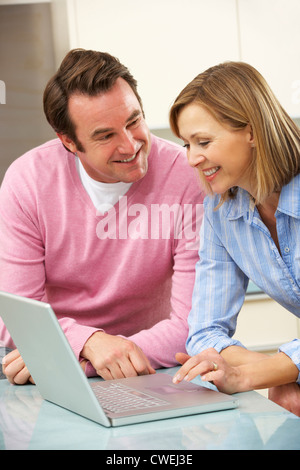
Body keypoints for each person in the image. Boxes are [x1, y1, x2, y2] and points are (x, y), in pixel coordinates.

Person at [0, 49, 204, 385]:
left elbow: (193, 324)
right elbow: (17, 314)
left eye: (133, 121)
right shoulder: (28, 182)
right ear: (69, 142)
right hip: (51, 362)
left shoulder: (185, 176)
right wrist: (89, 343)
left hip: (148, 366)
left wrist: (79, 360)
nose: (130, 145)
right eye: (105, 135)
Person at [169, 61, 300, 416]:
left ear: (252, 131)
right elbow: (204, 332)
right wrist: (266, 369)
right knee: (288, 398)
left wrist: (270, 370)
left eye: (203, 141)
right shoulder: (220, 214)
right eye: (186, 144)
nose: (192, 159)